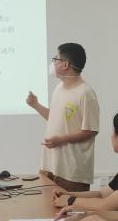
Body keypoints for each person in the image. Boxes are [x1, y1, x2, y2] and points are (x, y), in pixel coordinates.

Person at [52, 108, 118, 214]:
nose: (111, 136)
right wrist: (68, 194)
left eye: (112, 131)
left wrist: (71, 200)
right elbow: (101, 194)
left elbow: (105, 205)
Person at [26, 43, 99, 192]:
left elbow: (91, 130)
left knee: (69, 206)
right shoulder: (59, 88)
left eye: (56, 59)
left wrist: (61, 140)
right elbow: (55, 118)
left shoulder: (86, 93)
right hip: (49, 166)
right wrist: (36, 105)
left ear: (65, 64)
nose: (53, 63)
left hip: (71, 172)